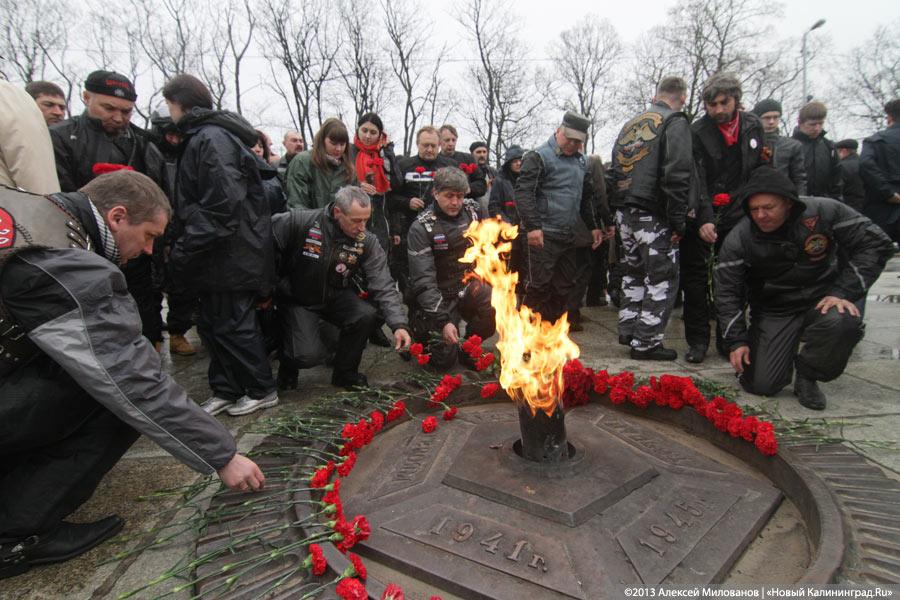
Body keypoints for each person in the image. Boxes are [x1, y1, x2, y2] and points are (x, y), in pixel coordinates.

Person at [0, 171, 265, 579]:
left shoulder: (35, 216)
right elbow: (130, 376)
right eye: (148, 235)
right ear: (117, 216)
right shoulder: (66, 262)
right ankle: (16, 534)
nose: (147, 250)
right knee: (111, 400)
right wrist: (222, 455)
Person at [715, 166, 893, 409]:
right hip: (775, 309)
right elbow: (727, 291)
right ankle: (778, 353)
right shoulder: (739, 238)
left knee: (843, 320)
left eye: (769, 207)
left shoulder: (826, 211)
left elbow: (876, 244)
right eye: (754, 209)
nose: (761, 215)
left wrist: (843, 291)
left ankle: (809, 373)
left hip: (822, 299)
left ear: (788, 203)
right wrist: (736, 341)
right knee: (761, 385)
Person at [163, 73, 278, 417]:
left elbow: (222, 206)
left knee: (234, 325)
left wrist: (185, 246)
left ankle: (260, 388)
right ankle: (226, 388)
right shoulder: (203, 137)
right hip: (215, 253)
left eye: (170, 105)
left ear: (180, 104)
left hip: (229, 252)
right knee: (213, 326)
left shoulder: (212, 139)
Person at [49, 70, 166, 349]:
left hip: (134, 248)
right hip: (84, 247)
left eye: (126, 111)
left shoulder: (142, 140)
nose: (118, 117)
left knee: (139, 304)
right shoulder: (61, 137)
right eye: (108, 108)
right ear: (86, 97)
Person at [272, 186, 411, 389]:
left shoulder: (367, 242)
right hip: (298, 298)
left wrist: (399, 325)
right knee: (307, 355)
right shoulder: (301, 221)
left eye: (366, 219)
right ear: (338, 212)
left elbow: (383, 283)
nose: (362, 227)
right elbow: (263, 241)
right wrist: (268, 289)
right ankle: (289, 363)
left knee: (366, 315)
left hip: (335, 295)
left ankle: (345, 374)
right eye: (356, 220)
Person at [681, 72, 766, 364]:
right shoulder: (696, 131)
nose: (717, 110)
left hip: (740, 212)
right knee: (695, 279)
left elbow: (756, 170)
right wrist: (704, 217)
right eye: (711, 104)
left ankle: (728, 338)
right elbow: (696, 177)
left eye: (723, 103)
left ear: (736, 101)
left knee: (734, 277)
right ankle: (697, 340)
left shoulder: (753, 126)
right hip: (704, 211)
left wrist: (754, 211)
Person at [608, 76, 692, 359]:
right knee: (661, 277)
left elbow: (614, 170)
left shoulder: (630, 124)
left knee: (634, 272)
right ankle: (647, 343)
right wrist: (678, 219)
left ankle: (629, 330)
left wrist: (616, 208)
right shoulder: (674, 121)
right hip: (653, 213)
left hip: (625, 212)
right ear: (682, 97)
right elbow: (677, 172)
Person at [515, 110, 602, 323]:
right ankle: (523, 338)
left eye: (577, 141)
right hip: (542, 235)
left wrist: (593, 226)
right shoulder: (538, 156)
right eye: (569, 138)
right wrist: (533, 227)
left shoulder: (582, 162)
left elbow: (585, 197)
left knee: (563, 288)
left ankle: (548, 334)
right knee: (537, 286)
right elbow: (524, 193)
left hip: (567, 235)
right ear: (559, 130)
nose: (572, 144)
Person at [407, 167, 496, 368]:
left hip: (466, 286)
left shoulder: (474, 211)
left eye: (459, 196)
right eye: (448, 196)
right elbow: (423, 281)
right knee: (442, 362)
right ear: (435, 193)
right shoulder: (421, 227)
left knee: (495, 302)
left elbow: (488, 249)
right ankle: (420, 329)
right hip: (437, 295)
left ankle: (470, 345)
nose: (455, 202)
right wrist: (443, 321)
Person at [389, 126, 482, 292]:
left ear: (439, 145)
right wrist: (407, 202)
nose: (429, 149)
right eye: (425, 145)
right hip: (411, 227)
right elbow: (390, 197)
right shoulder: (405, 165)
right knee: (412, 278)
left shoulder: (450, 165)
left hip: (445, 229)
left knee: (444, 275)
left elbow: (464, 190)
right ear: (417, 144)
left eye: (433, 145)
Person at [0, 80, 60, 194]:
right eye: (48, 105)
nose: (57, 112)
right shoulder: (7, 96)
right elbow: (38, 180)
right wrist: (48, 208)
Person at [284, 118, 354, 209]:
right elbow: (296, 203)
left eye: (342, 144)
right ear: (322, 140)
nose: (338, 149)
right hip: (308, 221)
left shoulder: (348, 169)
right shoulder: (302, 162)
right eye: (333, 143)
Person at [859, 99, 900, 245]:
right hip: (884, 201)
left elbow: (865, 164)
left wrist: (887, 192)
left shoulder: (875, 141)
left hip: (882, 206)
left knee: (877, 251)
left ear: (889, 117)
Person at [751, 98, 807, 194]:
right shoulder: (749, 143)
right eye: (767, 118)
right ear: (758, 118)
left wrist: (801, 200)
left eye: (776, 117)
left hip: (783, 195)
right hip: (754, 195)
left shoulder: (792, 146)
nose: (771, 122)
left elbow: (799, 178)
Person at [792, 101, 842, 199]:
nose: (817, 128)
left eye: (821, 123)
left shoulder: (829, 146)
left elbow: (836, 180)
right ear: (800, 122)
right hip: (798, 201)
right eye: (812, 124)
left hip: (825, 202)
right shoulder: (790, 146)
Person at [438, 124, 488, 199]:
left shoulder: (467, 159)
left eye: (453, 140)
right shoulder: (435, 160)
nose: (451, 144)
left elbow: (481, 184)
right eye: (447, 140)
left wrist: (468, 188)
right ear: (439, 141)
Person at [252, 129, 288, 215]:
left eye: (261, 146)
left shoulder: (272, 177)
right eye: (253, 145)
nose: (258, 149)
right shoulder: (235, 175)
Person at [835, 139, 865, 211]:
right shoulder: (865, 163)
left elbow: (837, 189)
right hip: (868, 205)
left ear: (844, 151)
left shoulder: (841, 166)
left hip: (850, 206)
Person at [469, 140, 496, 214]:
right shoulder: (468, 172)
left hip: (492, 216)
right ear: (471, 154)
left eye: (484, 152)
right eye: (478, 152)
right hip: (473, 216)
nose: (482, 155)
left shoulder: (492, 172)